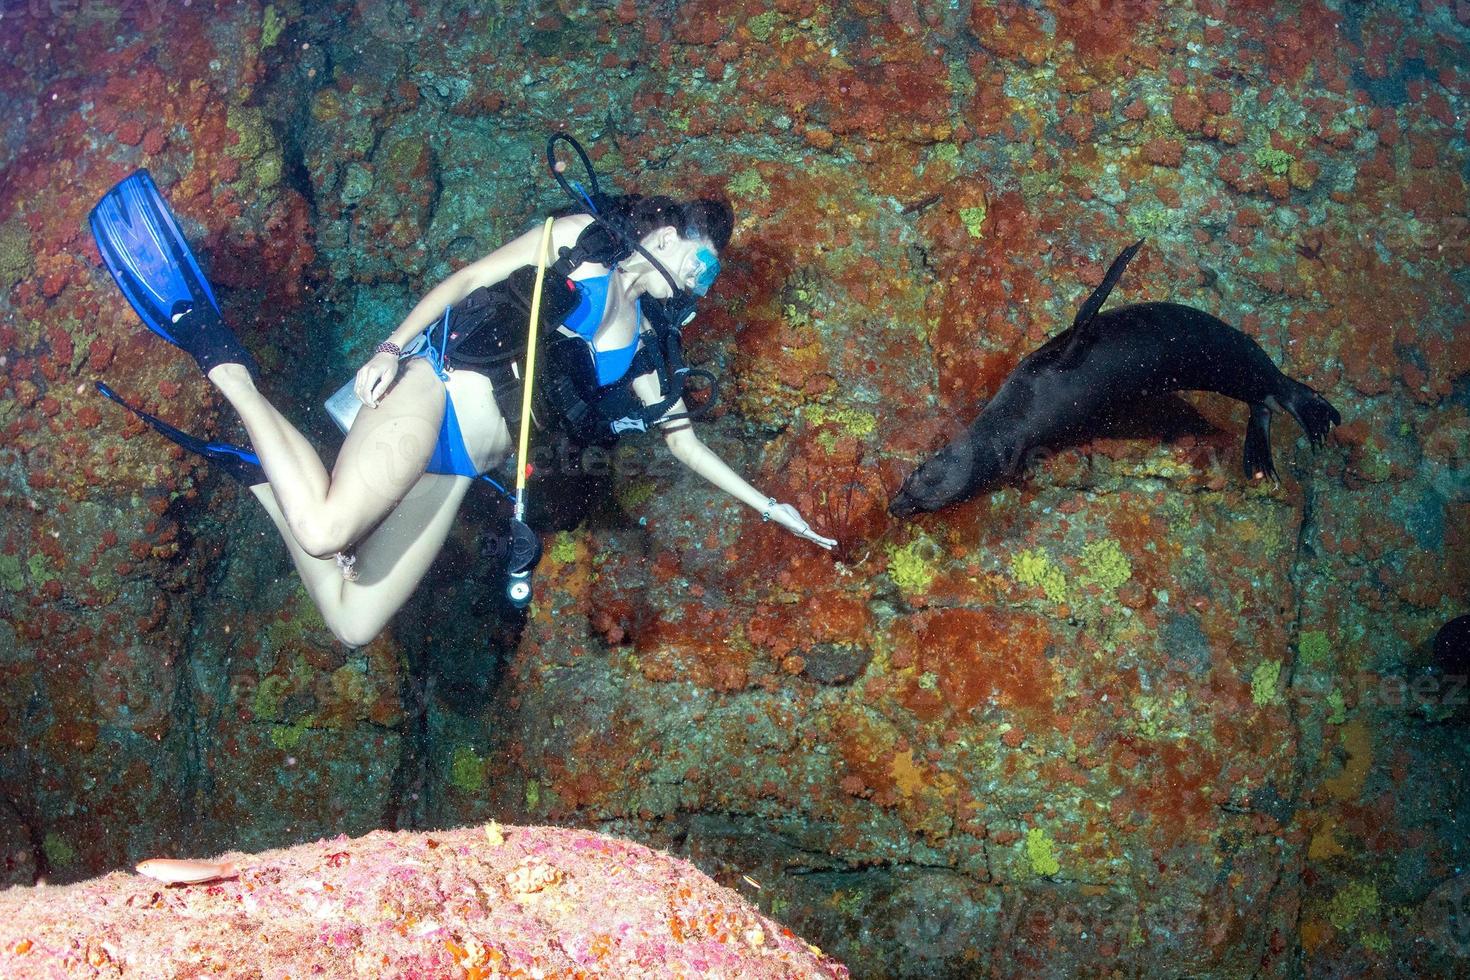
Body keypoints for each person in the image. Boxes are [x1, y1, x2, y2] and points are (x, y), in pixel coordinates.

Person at [90, 165, 834, 647]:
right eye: (701, 265)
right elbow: (466, 281)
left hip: (463, 466)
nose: (702, 285)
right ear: (667, 238)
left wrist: (773, 509)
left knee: (352, 622)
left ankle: (260, 476)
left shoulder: (647, 346)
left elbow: (682, 445)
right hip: (436, 391)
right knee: (325, 530)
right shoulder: (582, 243)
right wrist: (388, 349)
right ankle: (222, 357)